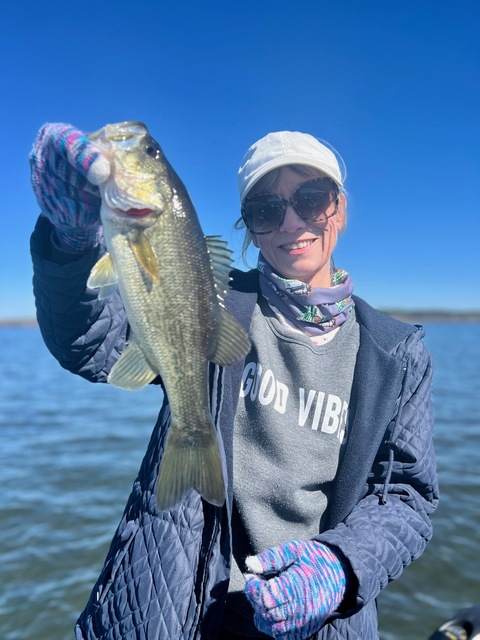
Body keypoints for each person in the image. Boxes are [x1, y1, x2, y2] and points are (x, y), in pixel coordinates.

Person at [29, 123, 439, 640]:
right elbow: (88, 341)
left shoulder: (397, 354)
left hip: (321, 620)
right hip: (183, 609)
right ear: (249, 228)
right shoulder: (218, 302)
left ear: (341, 208)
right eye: (266, 210)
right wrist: (69, 245)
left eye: (312, 199)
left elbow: (407, 495)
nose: (292, 221)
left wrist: (343, 565)